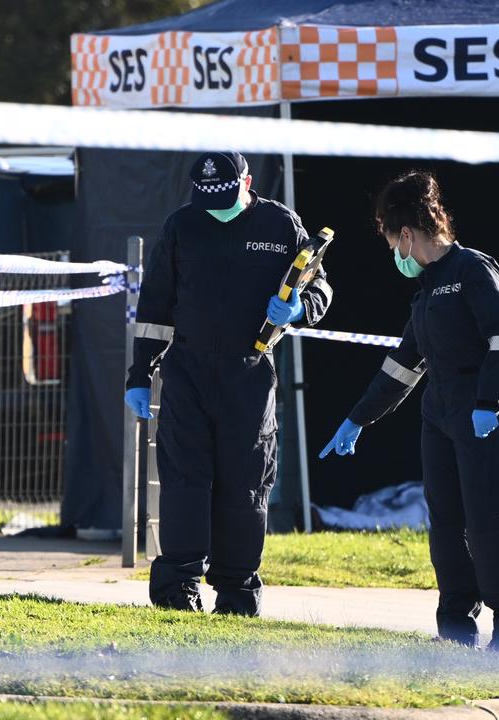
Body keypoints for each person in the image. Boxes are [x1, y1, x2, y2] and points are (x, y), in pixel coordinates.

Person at [319, 170, 499, 659]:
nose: (394, 254)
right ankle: (456, 632)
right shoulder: (426, 291)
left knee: (487, 524)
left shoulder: (473, 269)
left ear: (407, 235)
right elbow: (403, 364)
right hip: (439, 416)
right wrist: (358, 418)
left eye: (391, 242)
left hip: (484, 414)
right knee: (446, 527)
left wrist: (488, 403)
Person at [124, 151, 333, 616]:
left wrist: (300, 308)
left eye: (225, 196)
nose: (215, 208)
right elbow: (155, 306)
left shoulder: (281, 224)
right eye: (206, 199)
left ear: (248, 182)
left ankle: (237, 594)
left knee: (246, 485)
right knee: (184, 483)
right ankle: (177, 589)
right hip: (187, 374)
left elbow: (319, 284)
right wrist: (140, 375)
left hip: (249, 375)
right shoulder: (181, 226)